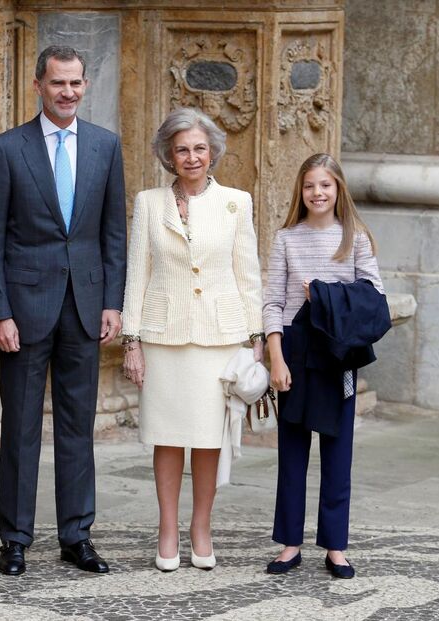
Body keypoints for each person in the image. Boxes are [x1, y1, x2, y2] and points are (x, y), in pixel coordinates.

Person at [0, 45, 127, 576]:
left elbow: (113, 233)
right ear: (38, 84)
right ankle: (15, 539)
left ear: (85, 86)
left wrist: (112, 302)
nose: (67, 92)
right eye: (58, 82)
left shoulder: (106, 146)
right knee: (19, 427)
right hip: (23, 310)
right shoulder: (7, 149)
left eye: (76, 83)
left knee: (77, 426)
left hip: (85, 306)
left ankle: (76, 536)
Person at [121, 107, 264, 572]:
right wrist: (131, 341)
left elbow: (248, 275)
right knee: (167, 437)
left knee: (208, 440)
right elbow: (137, 274)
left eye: (200, 148)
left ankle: (201, 527)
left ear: (213, 151)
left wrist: (257, 338)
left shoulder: (236, 203)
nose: (192, 157)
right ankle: (167, 529)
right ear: (169, 154)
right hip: (163, 336)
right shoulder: (149, 203)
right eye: (182, 149)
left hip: (219, 338)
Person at [263, 153, 387, 579]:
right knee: (292, 452)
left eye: (325, 185)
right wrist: (276, 358)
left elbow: (373, 296)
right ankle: (290, 543)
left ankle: (336, 546)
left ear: (338, 189)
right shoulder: (286, 239)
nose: (317, 193)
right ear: (300, 191)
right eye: (309, 185)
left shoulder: (355, 238)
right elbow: (272, 303)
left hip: (338, 356)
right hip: (294, 350)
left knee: (338, 452)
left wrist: (322, 294)